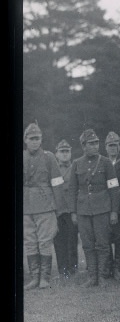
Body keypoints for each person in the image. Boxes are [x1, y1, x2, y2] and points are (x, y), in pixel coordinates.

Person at [68, 129, 120, 287]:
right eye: (91, 143)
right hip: (83, 210)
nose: (95, 146)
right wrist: (73, 212)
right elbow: (72, 189)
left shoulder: (105, 163)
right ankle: (92, 276)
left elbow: (114, 188)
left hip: (102, 209)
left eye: (97, 142)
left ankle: (103, 276)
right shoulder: (77, 163)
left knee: (103, 243)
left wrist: (114, 211)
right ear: (83, 146)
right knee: (87, 244)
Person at [23, 122, 64, 290]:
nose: (34, 142)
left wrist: (59, 208)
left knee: (45, 241)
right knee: (30, 241)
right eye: (31, 139)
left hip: (46, 204)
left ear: (41, 140)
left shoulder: (49, 157)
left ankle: (45, 278)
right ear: (25, 140)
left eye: (37, 139)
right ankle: (34, 278)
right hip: (26, 205)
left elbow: (57, 183)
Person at [53, 139, 79, 280]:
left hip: (70, 210)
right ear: (56, 153)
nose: (64, 154)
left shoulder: (75, 167)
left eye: (67, 151)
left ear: (70, 153)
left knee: (72, 240)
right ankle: (62, 270)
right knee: (58, 241)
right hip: (57, 210)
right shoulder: (53, 168)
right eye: (61, 151)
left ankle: (73, 269)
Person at [105, 131, 120, 280]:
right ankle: (108, 267)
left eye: (115, 145)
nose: (113, 148)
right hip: (106, 204)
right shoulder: (103, 162)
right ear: (106, 147)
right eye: (110, 145)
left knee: (119, 238)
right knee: (106, 237)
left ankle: (118, 267)